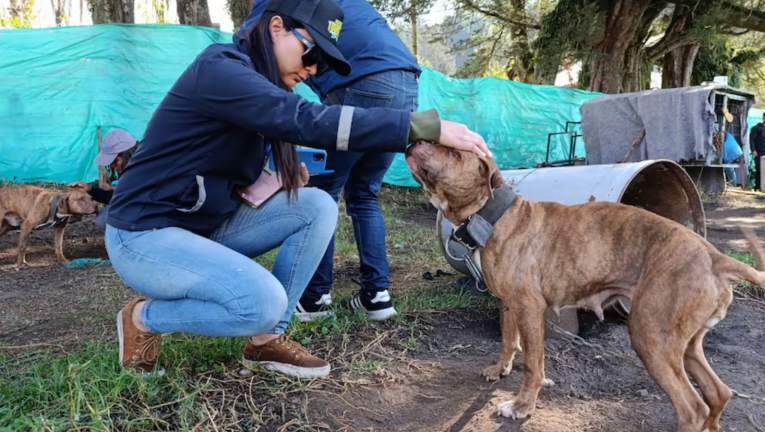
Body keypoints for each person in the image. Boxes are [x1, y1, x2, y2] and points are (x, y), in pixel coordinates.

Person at [105, 0, 489, 379]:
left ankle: (265, 339)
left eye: (322, 63)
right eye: (311, 52)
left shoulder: (264, 89)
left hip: (200, 228)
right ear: (276, 28)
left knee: (317, 205)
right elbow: (307, 119)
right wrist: (420, 126)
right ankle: (143, 318)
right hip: (144, 235)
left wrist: (266, 181)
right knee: (261, 302)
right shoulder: (220, 68)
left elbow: (216, 167)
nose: (313, 70)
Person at [239, 0, 421, 322]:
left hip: (362, 81)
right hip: (406, 85)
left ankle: (315, 298)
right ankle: (376, 297)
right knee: (364, 193)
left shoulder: (275, 6)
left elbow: (246, 44)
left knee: (321, 191)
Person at [68, 129, 138, 229]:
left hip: (154, 210)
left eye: (115, 161)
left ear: (127, 154)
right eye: (111, 163)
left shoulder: (150, 168)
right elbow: (116, 198)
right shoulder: (125, 167)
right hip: (135, 207)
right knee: (102, 218)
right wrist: (90, 190)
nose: (113, 166)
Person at [749, 112, 765, 191]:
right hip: (759, 152)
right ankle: (758, 186)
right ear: (763, 118)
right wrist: (753, 150)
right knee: (760, 169)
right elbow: (752, 140)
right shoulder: (756, 128)